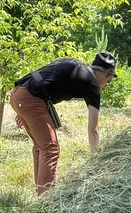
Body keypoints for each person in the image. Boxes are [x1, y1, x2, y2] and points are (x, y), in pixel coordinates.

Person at [10, 52, 117, 195]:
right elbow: (93, 129)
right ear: (104, 73)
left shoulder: (77, 68)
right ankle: (46, 200)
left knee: (40, 147)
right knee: (50, 149)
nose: (106, 86)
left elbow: (43, 78)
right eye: (109, 81)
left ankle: (40, 193)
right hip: (30, 98)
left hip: (19, 92)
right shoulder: (92, 84)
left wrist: (22, 105)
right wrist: (96, 158)